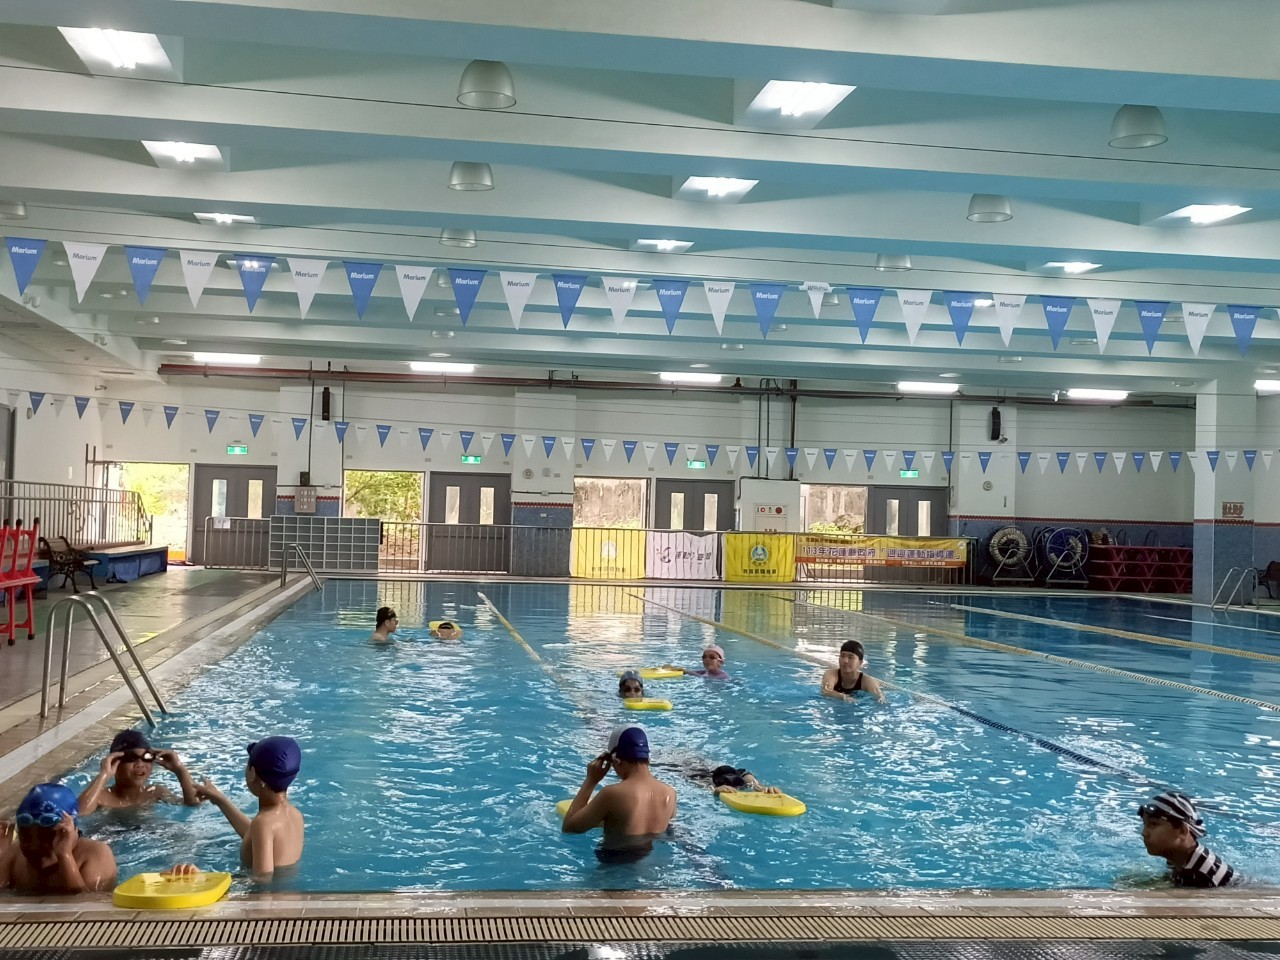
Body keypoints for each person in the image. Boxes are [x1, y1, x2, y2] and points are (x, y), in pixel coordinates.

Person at [561, 724, 676, 862]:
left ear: (616, 760)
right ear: (647, 758)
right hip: (650, 861)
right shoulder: (670, 793)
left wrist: (591, 780)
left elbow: (569, 827)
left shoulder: (612, 794)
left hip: (613, 866)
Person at [197, 736, 304, 879]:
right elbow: (254, 838)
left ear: (252, 772)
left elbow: (262, 880)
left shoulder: (263, 823)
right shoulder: (296, 815)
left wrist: (205, 878)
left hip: (268, 893)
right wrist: (220, 800)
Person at [0, 784, 116, 894]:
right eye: (26, 835)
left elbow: (89, 904)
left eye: (45, 835)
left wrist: (65, 855)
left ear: (71, 831)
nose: (34, 844)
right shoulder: (14, 853)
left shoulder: (97, 854)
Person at [78, 729, 201, 814]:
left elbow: (193, 805)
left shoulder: (155, 793)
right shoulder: (101, 797)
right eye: (131, 759)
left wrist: (179, 769)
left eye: (147, 758)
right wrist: (104, 774)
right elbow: (79, 814)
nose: (140, 764)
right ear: (115, 762)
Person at [1138, 791, 1235, 887]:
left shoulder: (1200, 876)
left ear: (1182, 831)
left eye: (1154, 824)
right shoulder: (1180, 856)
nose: (1144, 833)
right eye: (1145, 824)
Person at [821, 640, 886, 704]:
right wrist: (843, 697)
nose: (845, 661)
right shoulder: (831, 674)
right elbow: (826, 691)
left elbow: (881, 698)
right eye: (842, 656)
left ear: (860, 662)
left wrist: (880, 700)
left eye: (850, 657)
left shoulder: (867, 681)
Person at [691, 764, 782, 796]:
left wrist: (766, 789)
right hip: (697, 772)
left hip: (728, 771)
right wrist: (716, 792)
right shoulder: (704, 781)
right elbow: (709, 789)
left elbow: (757, 786)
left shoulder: (746, 778)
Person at [661, 645, 729, 680]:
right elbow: (688, 671)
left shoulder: (723, 676)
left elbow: (706, 678)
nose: (707, 660)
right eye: (704, 657)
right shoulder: (705, 672)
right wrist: (673, 668)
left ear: (720, 662)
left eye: (712, 657)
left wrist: (685, 671)